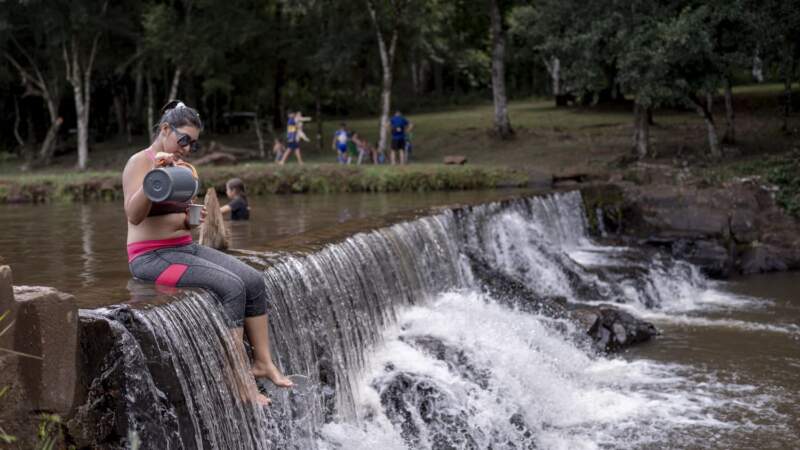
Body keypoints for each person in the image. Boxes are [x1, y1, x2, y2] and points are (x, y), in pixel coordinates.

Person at [122, 100, 292, 406]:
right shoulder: (140, 162)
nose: (186, 148)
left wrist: (190, 218)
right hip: (149, 258)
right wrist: (153, 181)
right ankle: (238, 380)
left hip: (184, 248)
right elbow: (134, 216)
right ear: (164, 130)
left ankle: (263, 363)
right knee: (231, 287)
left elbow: (183, 216)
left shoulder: (185, 168)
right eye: (182, 139)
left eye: (193, 144)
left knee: (253, 280)